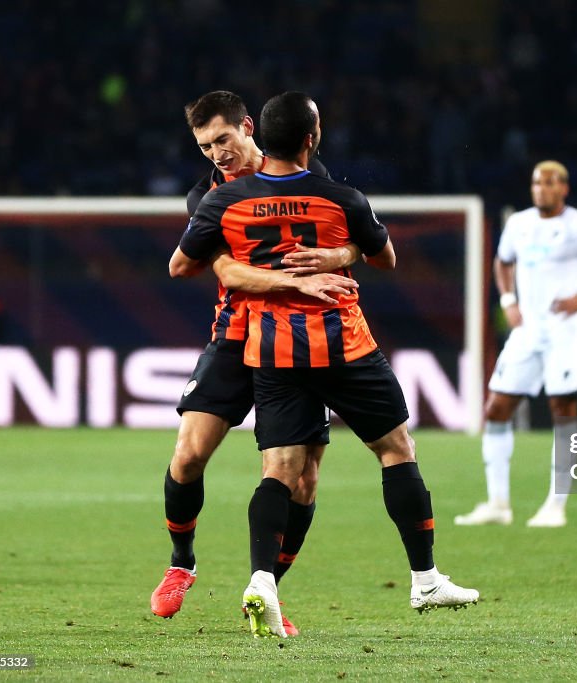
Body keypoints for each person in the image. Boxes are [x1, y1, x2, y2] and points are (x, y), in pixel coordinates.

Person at [179, 91, 478, 638]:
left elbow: (182, 264)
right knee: (395, 451)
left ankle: (262, 581)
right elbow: (385, 257)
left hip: (272, 352)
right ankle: (426, 578)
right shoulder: (341, 197)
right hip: (343, 345)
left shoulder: (224, 203)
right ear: (311, 139)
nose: (216, 152)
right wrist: (337, 256)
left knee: (281, 471)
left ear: (255, 136)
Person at [152, 91, 361, 636]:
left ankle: (267, 591)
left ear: (248, 128)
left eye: (223, 139)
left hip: (297, 342)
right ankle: (182, 562)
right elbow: (227, 273)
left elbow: (354, 234)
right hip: (236, 336)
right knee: (189, 455)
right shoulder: (207, 197)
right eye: (204, 146)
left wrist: (339, 256)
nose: (216, 153)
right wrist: (297, 280)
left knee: (303, 480)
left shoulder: (301, 175)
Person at [454, 160, 577, 529]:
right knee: (496, 409)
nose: (542, 188)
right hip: (528, 332)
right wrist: (508, 301)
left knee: (562, 410)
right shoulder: (519, 224)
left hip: (566, 331)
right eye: (537, 182)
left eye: (550, 182)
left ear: (564, 188)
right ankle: (498, 503)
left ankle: (556, 505)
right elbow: (502, 262)